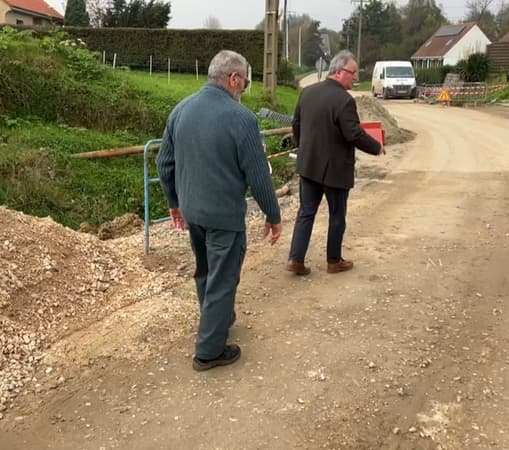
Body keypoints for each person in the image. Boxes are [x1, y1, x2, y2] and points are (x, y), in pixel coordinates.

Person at [157, 50, 283, 371]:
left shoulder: (181, 110)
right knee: (223, 279)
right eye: (245, 82)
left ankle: (216, 319)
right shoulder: (242, 119)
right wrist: (273, 215)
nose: (244, 88)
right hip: (224, 216)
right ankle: (209, 351)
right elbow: (258, 174)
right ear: (234, 78)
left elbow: (164, 163)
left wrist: (174, 203)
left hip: (193, 212)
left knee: (205, 271)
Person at [286, 50, 385, 276]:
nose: (355, 78)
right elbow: (354, 134)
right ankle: (333, 261)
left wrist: (305, 149)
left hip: (309, 165)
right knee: (337, 215)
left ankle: (296, 259)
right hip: (336, 169)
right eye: (352, 73)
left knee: (306, 212)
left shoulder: (307, 93)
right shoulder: (344, 100)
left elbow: (296, 126)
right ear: (339, 72)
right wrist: (376, 147)